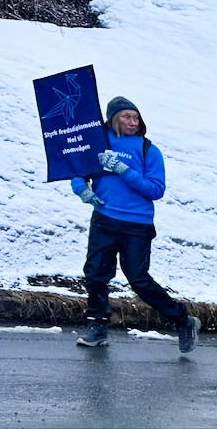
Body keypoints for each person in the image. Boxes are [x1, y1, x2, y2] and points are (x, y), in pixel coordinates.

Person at [68, 97, 199, 353]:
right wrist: (81, 189)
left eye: (135, 117)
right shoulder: (98, 141)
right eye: (127, 117)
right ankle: (97, 326)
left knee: (138, 279)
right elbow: (78, 170)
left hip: (137, 224)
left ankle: (183, 320)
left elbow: (155, 189)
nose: (132, 122)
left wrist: (123, 169)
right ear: (113, 118)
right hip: (105, 219)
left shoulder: (148, 149)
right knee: (96, 274)